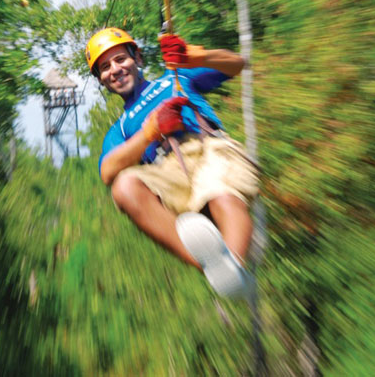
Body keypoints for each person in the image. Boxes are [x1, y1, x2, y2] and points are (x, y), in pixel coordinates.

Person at [85, 27, 259, 298]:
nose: (115, 70)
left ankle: (234, 264)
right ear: (102, 81)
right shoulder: (120, 130)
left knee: (219, 194)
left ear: (138, 58)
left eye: (120, 59)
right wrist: (150, 133)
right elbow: (108, 171)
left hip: (207, 148)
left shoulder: (175, 76)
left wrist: (194, 56)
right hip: (169, 171)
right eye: (105, 67)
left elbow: (236, 63)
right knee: (124, 187)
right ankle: (214, 268)